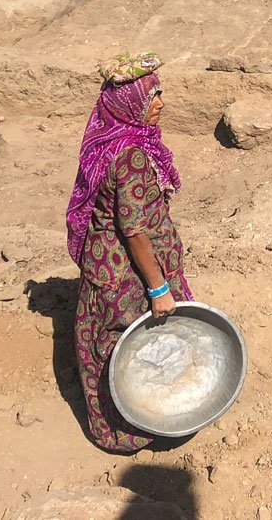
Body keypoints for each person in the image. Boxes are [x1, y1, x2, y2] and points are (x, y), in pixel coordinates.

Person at [67, 53, 193, 453]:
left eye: (159, 93)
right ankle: (133, 430)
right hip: (128, 272)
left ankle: (113, 426)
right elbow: (134, 229)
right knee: (131, 347)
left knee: (105, 340)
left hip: (103, 264)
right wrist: (158, 288)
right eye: (152, 95)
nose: (160, 102)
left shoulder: (109, 137)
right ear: (129, 102)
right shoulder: (132, 155)